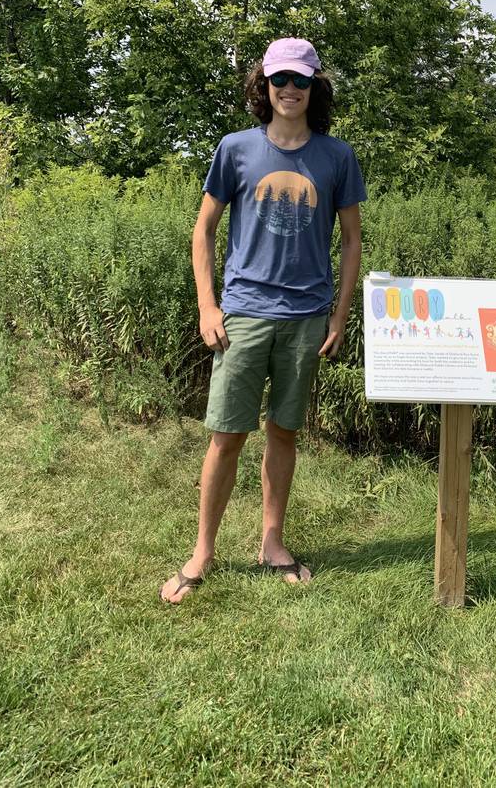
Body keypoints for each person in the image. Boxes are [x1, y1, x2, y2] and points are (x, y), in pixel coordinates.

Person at [160, 37, 366, 604]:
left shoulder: (336, 156)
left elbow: (350, 242)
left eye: (300, 81)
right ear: (264, 85)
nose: (290, 90)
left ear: (314, 86)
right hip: (245, 313)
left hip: (306, 317)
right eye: (280, 80)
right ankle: (203, 550)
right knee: (227, 436)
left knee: (283, 431)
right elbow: (203, 230)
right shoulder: (235, 149)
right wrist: (208, 303)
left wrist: (339, 314)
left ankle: (272, 542)